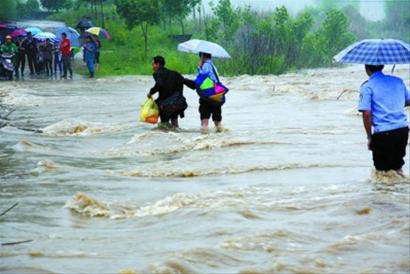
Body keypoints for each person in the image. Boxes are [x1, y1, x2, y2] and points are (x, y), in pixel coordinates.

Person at [358, 64, 410, 177]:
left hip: (383, 133)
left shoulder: (367, 86)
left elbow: (366, 114)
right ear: (382, 66)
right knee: (397, 168)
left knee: (383, 173)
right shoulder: (398, 81)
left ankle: (385, 193)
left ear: (366, 68)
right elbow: (408, 101)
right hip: (402, 130)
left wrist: (369, 137)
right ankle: (400, 192)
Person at [184, 52, 226, 133]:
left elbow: (201, 78)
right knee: (217, 122)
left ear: (202, 56)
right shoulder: (213, 66)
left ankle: (204, 138)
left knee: (204, 122)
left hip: (207, 96)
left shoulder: (206, 65)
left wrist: (199, 67)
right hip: (216, 95)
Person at [147, 56, 188, 129]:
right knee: (175, 125)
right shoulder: (175, 73)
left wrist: (150, 92)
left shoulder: (157, 73)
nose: (152, 66)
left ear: (158, 64)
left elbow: (159, 84)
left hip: (166, 105)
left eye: (153, 64)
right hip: (178, 103)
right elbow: (185, 82)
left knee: (164, 126)